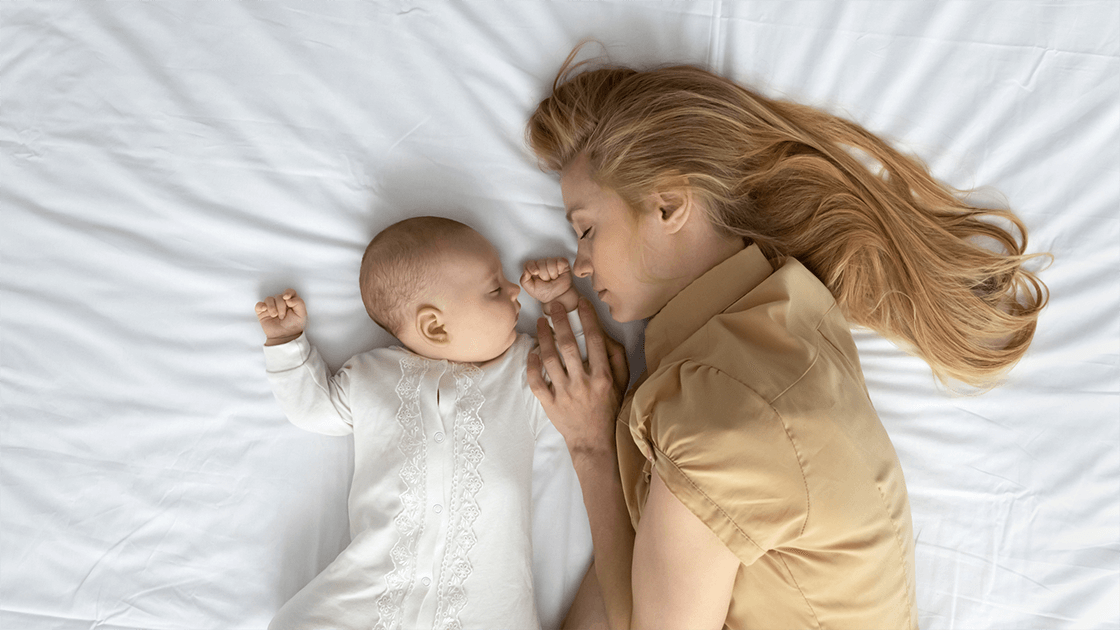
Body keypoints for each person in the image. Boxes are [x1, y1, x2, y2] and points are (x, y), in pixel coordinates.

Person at [522, 51, 1048, 630]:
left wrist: (592, 445)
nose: (582, 264)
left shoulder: (719, 418)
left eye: (588, 229)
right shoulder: (791, 316)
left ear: (668, 206)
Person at [254, 216, 586, 630]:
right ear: (435, 325)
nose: (516, 290)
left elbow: (580, 374)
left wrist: (560, 303)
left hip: (485, 610)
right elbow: (314, 409)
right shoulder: (372, 376)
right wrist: (287, 344)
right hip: (371, 592)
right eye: (495, 288)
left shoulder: (523, 371)